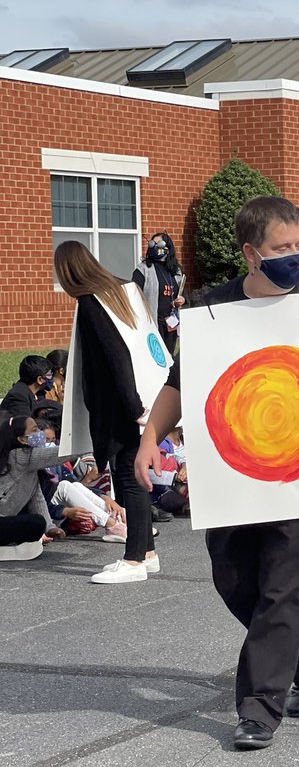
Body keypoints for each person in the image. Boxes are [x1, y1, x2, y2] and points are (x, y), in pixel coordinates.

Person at [135, 195, 299, 751]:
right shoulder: (213, 309)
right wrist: (151, 436)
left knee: (282, 591)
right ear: (252, 253)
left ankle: (258, 708)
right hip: (235, 475)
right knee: (235, 583)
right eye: (283, 248)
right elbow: (183, 383)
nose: (296, 257)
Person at [53, 241, 158, 584]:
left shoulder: (91, 303)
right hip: (140, 396)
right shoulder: (122, 293)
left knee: (129, 477)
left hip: (120, 406)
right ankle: (146, 552)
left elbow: (116, 357)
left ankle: (133, 560)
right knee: (133, 475)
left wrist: (132, 407)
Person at [0, 415, 69, 546]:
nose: (40, 434)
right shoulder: (19, 456)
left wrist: (50, 527)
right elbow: (58, 454)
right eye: (35, 430)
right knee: (35, 523)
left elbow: (37, 500)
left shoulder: (30, 469)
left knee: (37, 523)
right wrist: (81, 447)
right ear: (22, 439)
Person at [132, 232, 185, 356]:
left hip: (171, 324)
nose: (154, 247)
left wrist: (181, 300)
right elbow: (134, 296)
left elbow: (181, 294)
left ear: (168, 247)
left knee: (169, 358)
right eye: (152, 244)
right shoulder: (143, 269)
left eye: (159, 243)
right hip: (152, 325)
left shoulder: (175, 271)